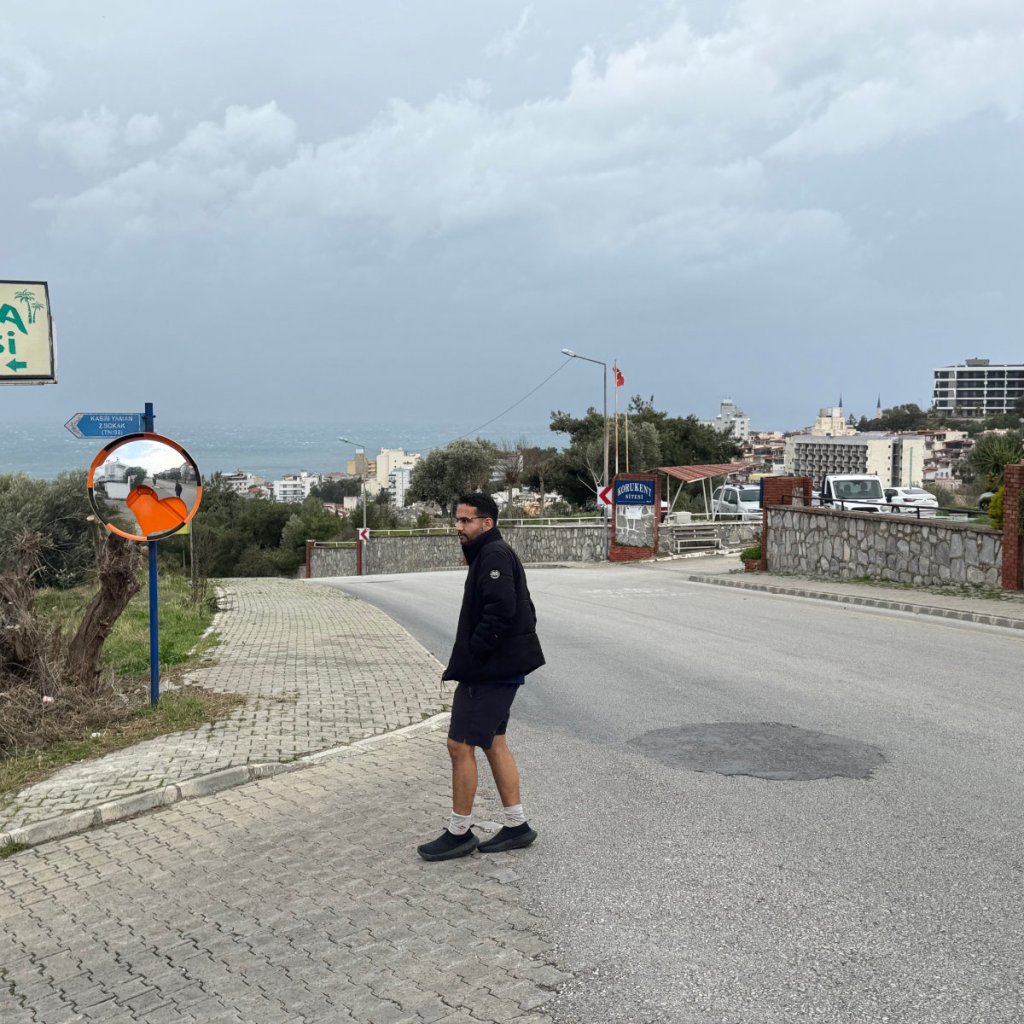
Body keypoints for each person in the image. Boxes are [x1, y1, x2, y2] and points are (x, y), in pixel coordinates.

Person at [417, 492, 545, 862]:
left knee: (459, 745)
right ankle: (517, 825)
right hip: (500, 668)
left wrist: (475, 654)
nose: (458, 527)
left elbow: (502, 610)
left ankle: (459, 833)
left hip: (489, 671)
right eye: (457, 520)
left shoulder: (493, 555)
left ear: (487, 523)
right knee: (494, 742)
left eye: (466, 520)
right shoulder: (490, 553)